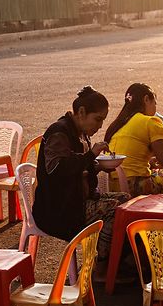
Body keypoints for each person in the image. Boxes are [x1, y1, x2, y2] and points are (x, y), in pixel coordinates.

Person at [33, 86, 130, 264]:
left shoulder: (81, 134)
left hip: (77, 200)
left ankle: (119, 261)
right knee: (115, 210)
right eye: (98, 119)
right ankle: (103, 265)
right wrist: (91, 155)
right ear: (81, 112)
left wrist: (99, 167)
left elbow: (81, 169)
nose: (100, 125)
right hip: (58, 210)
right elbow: (57, 170)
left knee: (127, 201)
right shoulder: (59, 132)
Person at [105, 83, 163, 196]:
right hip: (134, 184)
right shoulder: (150, 121)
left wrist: (149, 162)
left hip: (112, 185)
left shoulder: (118, 124)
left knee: (156, 172)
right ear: (146, 99)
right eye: (155, 103)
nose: (155, 108)